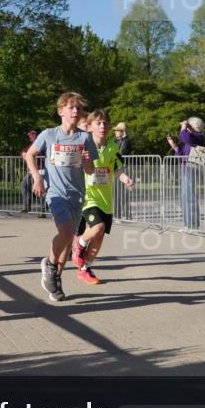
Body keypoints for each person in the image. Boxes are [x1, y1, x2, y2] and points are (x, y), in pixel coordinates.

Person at [24, 92, 99, 301]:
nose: (76, 111)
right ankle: (48, 263)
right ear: (61, 111)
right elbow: (30, 154)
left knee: (67, 242)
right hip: (56, 193)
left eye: (78, 109)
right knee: (66, 233)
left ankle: (55, 279)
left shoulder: (84, 138)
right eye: (71, 107)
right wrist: (37, 178)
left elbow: (91, 170)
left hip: (77, 195)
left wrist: (86, 163)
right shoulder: (49, 135)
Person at [71, 110, 135, 284]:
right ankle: (79, 245)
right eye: (98, 123)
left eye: (105, 123)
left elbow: (117, 169)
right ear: (90, 127)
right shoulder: (83, 146)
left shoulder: (113, 147)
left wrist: (125, 179)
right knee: (97, 227)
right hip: (88, 197)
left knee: (99, 237)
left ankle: (85, 269)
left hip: (106, 199)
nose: (103, 126)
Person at [167, 117, 205, 230]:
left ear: (194, 126)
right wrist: (173, 145)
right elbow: (182, 153)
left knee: (190, 197)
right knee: (185, 197)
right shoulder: (192, 139)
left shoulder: (199, 136)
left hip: (192, 169)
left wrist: (184, 126)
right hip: (185, 169)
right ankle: (187, 224)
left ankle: (192, 225)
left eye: (189, 126)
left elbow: (184, 136)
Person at [113, 122, 133, 220]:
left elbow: (121, 152)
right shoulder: (115, 141)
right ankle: (117, 214)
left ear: (123, 131)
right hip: (116, 169)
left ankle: (128, 215)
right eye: (116, 130)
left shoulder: (126, 141)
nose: (116, 132)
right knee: (116, 192)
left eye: (118, 130)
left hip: (124, 169)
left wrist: (124, 137)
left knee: (124, 193)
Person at [19, 131, 41, 213]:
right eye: (30, 137)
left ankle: (43, 208)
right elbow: (24, 151)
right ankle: (26, 206)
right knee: (24, 186)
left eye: (32, 136)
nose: (31, 138)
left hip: (40, 170)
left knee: (37, 189)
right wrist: (23, 154)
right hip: (32, 170)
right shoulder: (31, 145)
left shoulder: (40, 144)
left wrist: (27, 154)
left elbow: (38, 154)